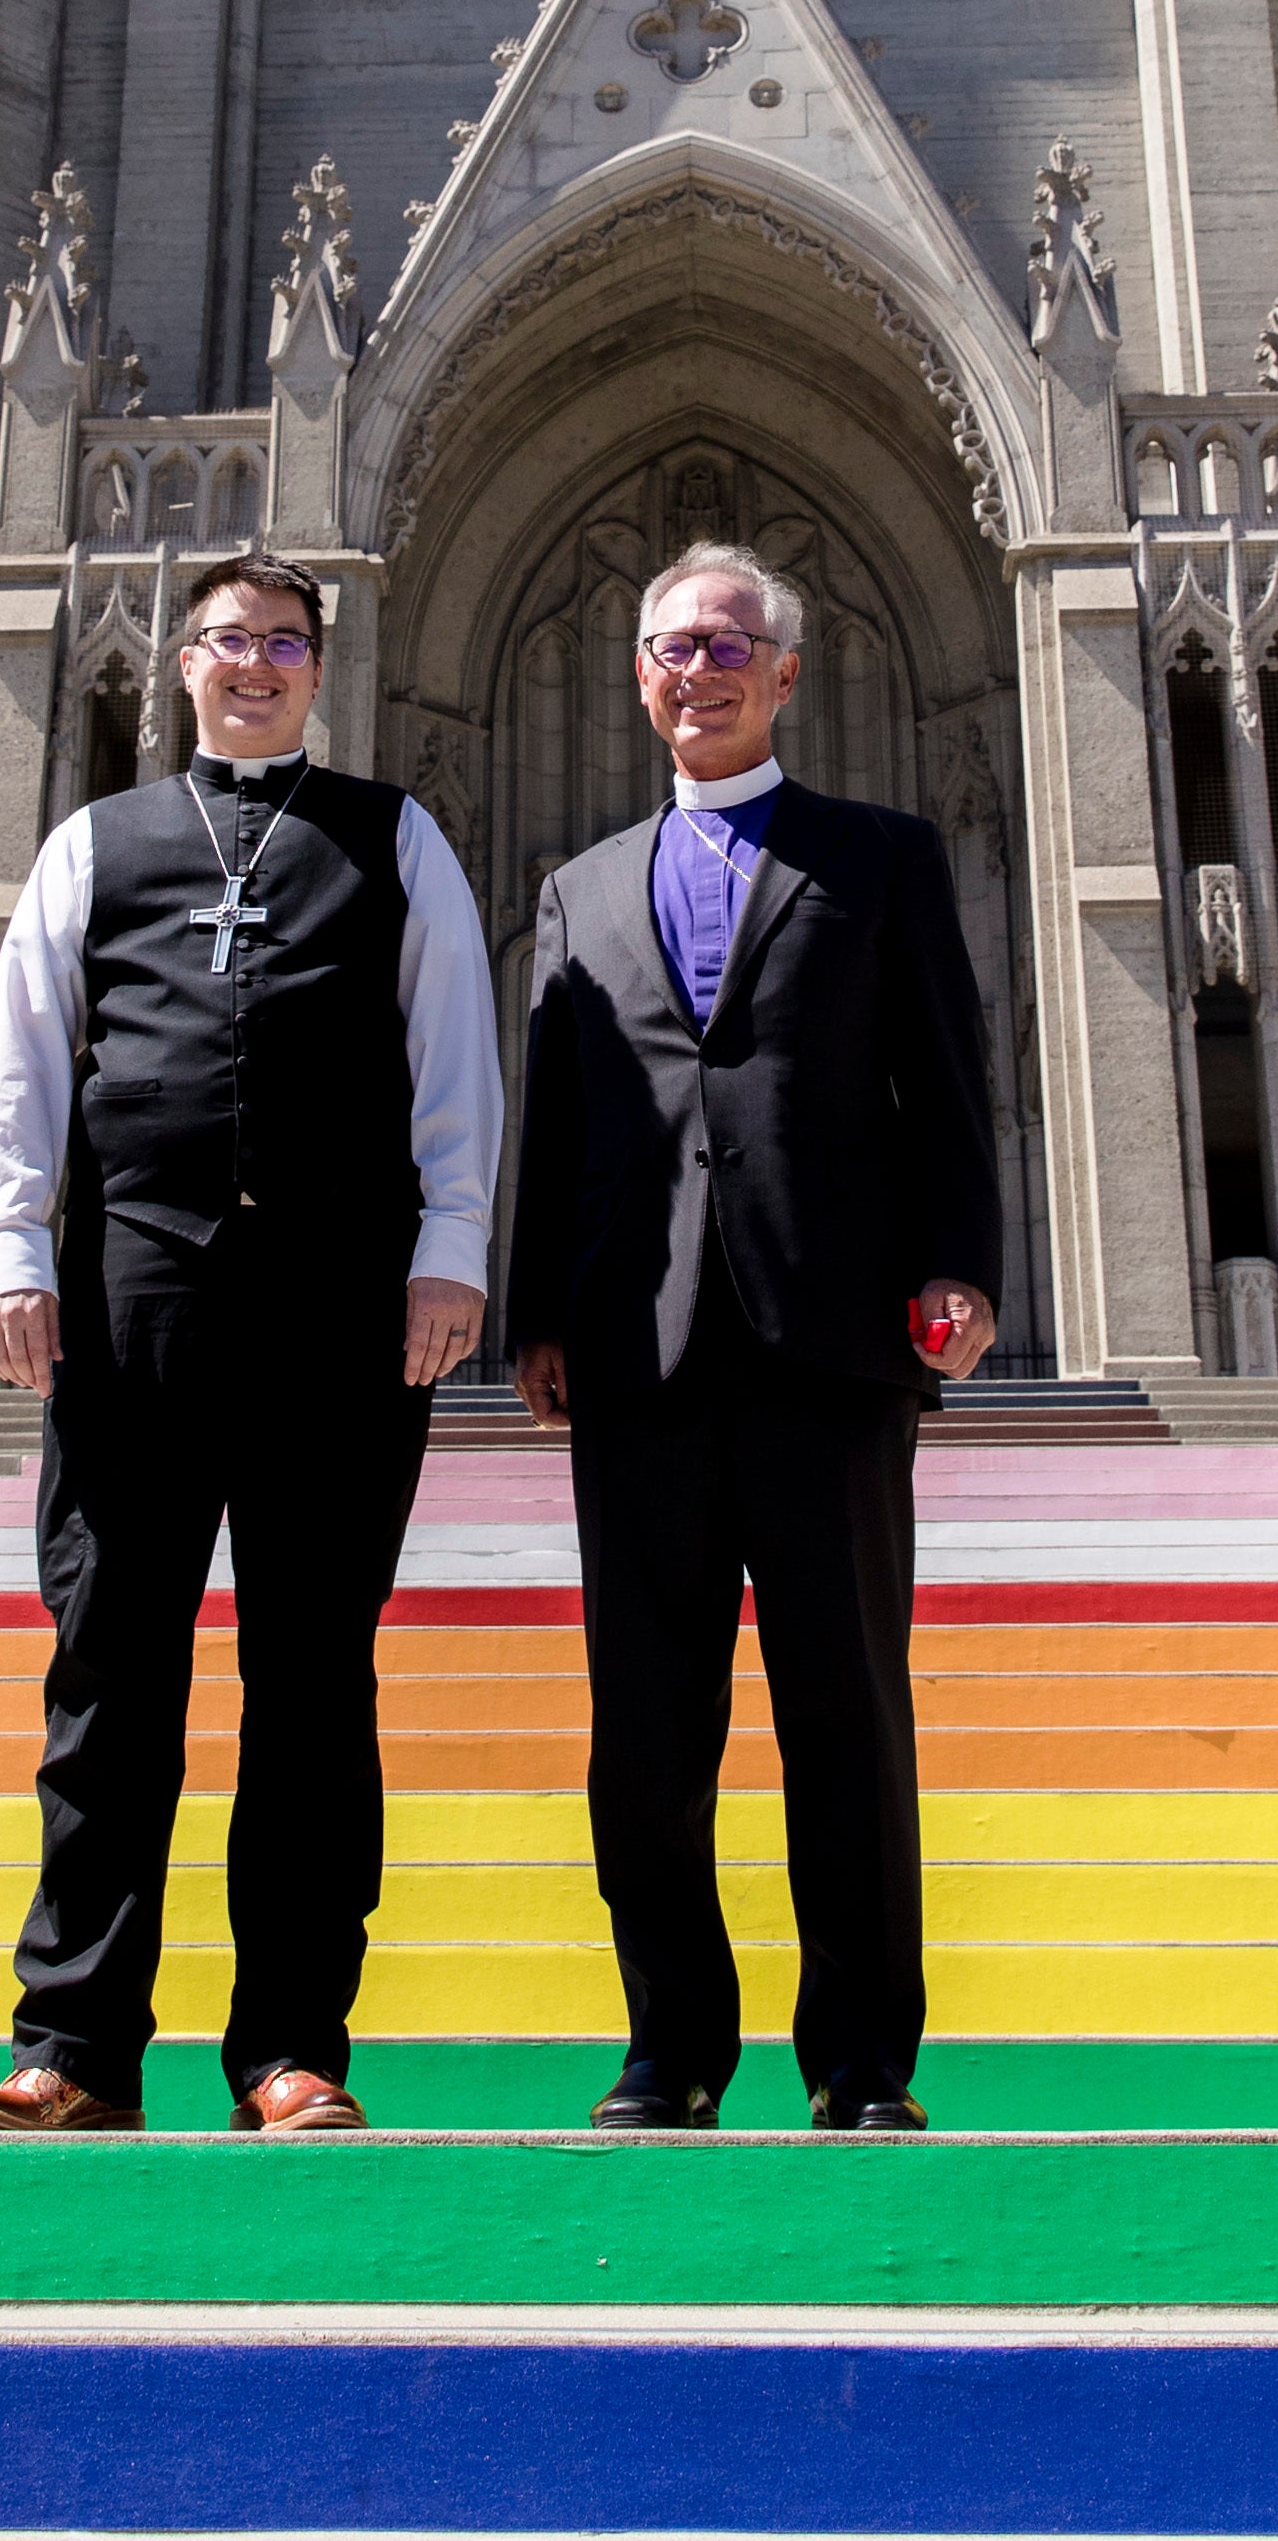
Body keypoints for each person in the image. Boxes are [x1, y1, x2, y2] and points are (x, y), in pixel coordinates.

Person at [0, 554, 500, 2138]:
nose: (254, 664)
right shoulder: (92, 845)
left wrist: (449, 1251)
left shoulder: (395, 838)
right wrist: (5, 1253)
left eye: (283, 642)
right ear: (181, 663)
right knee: (109, 1668)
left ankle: (290, 2047)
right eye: (228, 639)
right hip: (135, 1297)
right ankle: (73, 2042)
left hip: (337, 1307)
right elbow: (26, 1065)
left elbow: (453, 1056)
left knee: (312, 1680)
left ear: (319, 666)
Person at [508, 540, 1001, 2138]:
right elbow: (559, 1116)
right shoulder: (577, 888)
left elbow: (944, 1078)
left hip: (831, 1333)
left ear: (784, 673)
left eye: (729, 643)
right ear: (638, 678)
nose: (699, 667)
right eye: (670, 646)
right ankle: (672, 2047)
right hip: (636, 1348)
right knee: (645, 1726)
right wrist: (531, 1312)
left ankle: (862, 2059)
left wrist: (961, 1271)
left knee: (844, 1710)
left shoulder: (882, 856)